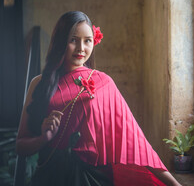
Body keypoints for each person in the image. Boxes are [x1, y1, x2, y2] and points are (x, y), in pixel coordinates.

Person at [16, 11, 181, 186]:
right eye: (73, 40)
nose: (81, 48)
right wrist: (43, 138)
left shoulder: (104, 83)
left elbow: (136, 142)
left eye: (87, 40)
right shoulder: (38, 84)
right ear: (60, 41)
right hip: (50, 176)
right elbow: (20, 146)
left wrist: (174, 184)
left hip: (95, 178)